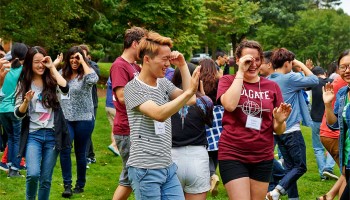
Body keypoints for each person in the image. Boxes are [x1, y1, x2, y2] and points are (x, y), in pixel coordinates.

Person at [124, 30, 200, 200]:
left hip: (167, 167)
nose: (167, 64)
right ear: (147, 59)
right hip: (145, 169)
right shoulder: (132, 88)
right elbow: (158, 114)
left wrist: (182, 65)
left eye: (169, 59)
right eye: (164, 59)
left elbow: (190, 99)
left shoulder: (163, 83)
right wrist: (188, 93)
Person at [216, 40, 291, 200]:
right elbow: (229, 105)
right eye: (248, 59)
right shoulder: (228, 81)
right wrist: (240, 73)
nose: (253, 64)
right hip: (233, 153)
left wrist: (278, 121)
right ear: (237, 60)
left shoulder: (272, 87)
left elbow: (279, 130)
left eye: (257, 59)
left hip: (262, 155)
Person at [14, 46, 71, 200]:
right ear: (29, 64)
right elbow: (18, 114)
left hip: (53, 136)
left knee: (45, 179)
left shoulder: (52, 80)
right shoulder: (24, 83)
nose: (40, 65)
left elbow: (65, 88)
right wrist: (26, 101)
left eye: (43, 61)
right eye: (36, 62)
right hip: (34, 135)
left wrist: (52, 67)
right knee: (32, 174)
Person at [267, 48, 319, 200]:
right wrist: (300, 64)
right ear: (287, 63)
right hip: (291, 130)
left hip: (277, 130)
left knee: (290, 168)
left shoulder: (269, 79)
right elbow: (314, 80)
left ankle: (293, 197)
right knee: (300, 166)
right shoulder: (289, 78)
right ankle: (276, 192)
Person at [110, 26, 147, 200]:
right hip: (127, 130)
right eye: (144, 44)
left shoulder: (134, 67)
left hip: (136, 128)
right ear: (134, 43)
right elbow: (122, 96)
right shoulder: (119, 66)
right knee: (136, 176)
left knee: (129, 177)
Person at [59, 46, 99, 197]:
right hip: (66, 119)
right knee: (65, 150)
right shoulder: (63, 73)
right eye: (72, 58)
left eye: (77, 58)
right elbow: (50, 77)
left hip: (84, 119)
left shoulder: (86, 74)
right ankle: (67, 185)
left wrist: (83, 62)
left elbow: (93, 80)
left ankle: (80, 184)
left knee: (81, 153)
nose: (74, 61)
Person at [171, 63, 213, 200]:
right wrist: (204, 96)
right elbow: (209, 122)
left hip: (171, 154)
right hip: (197, 156)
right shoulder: (204, 101)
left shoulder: (166, 99)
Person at [323, 49, 350, 200]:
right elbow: (334, 125)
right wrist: (327, 105)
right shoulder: (342, 93)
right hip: (348, 159)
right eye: (343, 67)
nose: (347, 71)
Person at [317, 73, 347, 200]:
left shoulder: (340, 79)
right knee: (347, 175)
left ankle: (329, 195)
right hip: (334, 133)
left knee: (346, 173)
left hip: (328, 132)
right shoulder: (345, 83)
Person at [0, 42, 28, 177]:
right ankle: (15, 169)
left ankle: (11, 166)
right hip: (15, 109)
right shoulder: (22, 70)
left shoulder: (4, 69)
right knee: (17, 139)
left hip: (2, 109)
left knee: (10, 138)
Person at [199, 58, 223, 197]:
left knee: (207, 148)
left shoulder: (198, 81)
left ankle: (212, 175)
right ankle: (213, 174)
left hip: (205, 113)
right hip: (220, 114)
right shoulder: (219, 81)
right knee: (217, 147)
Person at [310, 66, 337, 180]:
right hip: (329, 117)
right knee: (333, 145)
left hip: (316, 118)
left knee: (318, 147)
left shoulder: (314, 83)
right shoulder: (333, 82)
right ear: (324, 73)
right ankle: (328, 168)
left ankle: (323, 174)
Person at [79, 44, 100, 165]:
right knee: (85, 130)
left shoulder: (93, 66)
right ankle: (90, 155)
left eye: (83, 55)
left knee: (86, 129)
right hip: (79, 104)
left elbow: (95, 76)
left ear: (88, 56)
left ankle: (86, 157)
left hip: (92, 103)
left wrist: (84, 63)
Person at [105, 77, 120, 156]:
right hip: (115, 106)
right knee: (121, 128)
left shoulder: (110, 77)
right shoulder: (118, 77)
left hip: (108, 106)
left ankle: (116, 149)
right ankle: (114, 144)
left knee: (113, 128)